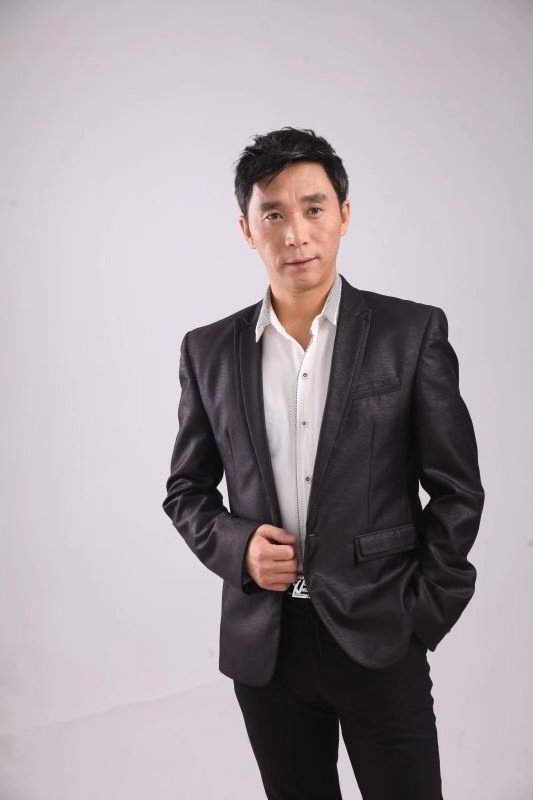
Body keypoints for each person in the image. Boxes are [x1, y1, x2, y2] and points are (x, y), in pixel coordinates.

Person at [162, 126, 484, 800]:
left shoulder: (409, 333)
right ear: (247, 230)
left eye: (313, 209)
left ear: (343, 215)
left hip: (381, 632)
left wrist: (425, 613)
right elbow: (186, 488)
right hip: (266, 649)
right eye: (272, 215)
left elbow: (456, 488)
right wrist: (239, 547)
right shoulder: (208, 351)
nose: (295, 234)